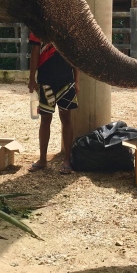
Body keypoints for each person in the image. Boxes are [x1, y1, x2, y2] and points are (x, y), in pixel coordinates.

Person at [27, 32, 79, 174]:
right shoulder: (38, 26)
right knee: (45, 119)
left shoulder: (67, 26)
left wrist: (77, 80)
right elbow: (35, 51)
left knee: (66, 118)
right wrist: (32, 78)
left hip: (66, 80)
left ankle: (67, 159)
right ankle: (43, 159)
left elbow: (74, 54)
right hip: (45, 80)